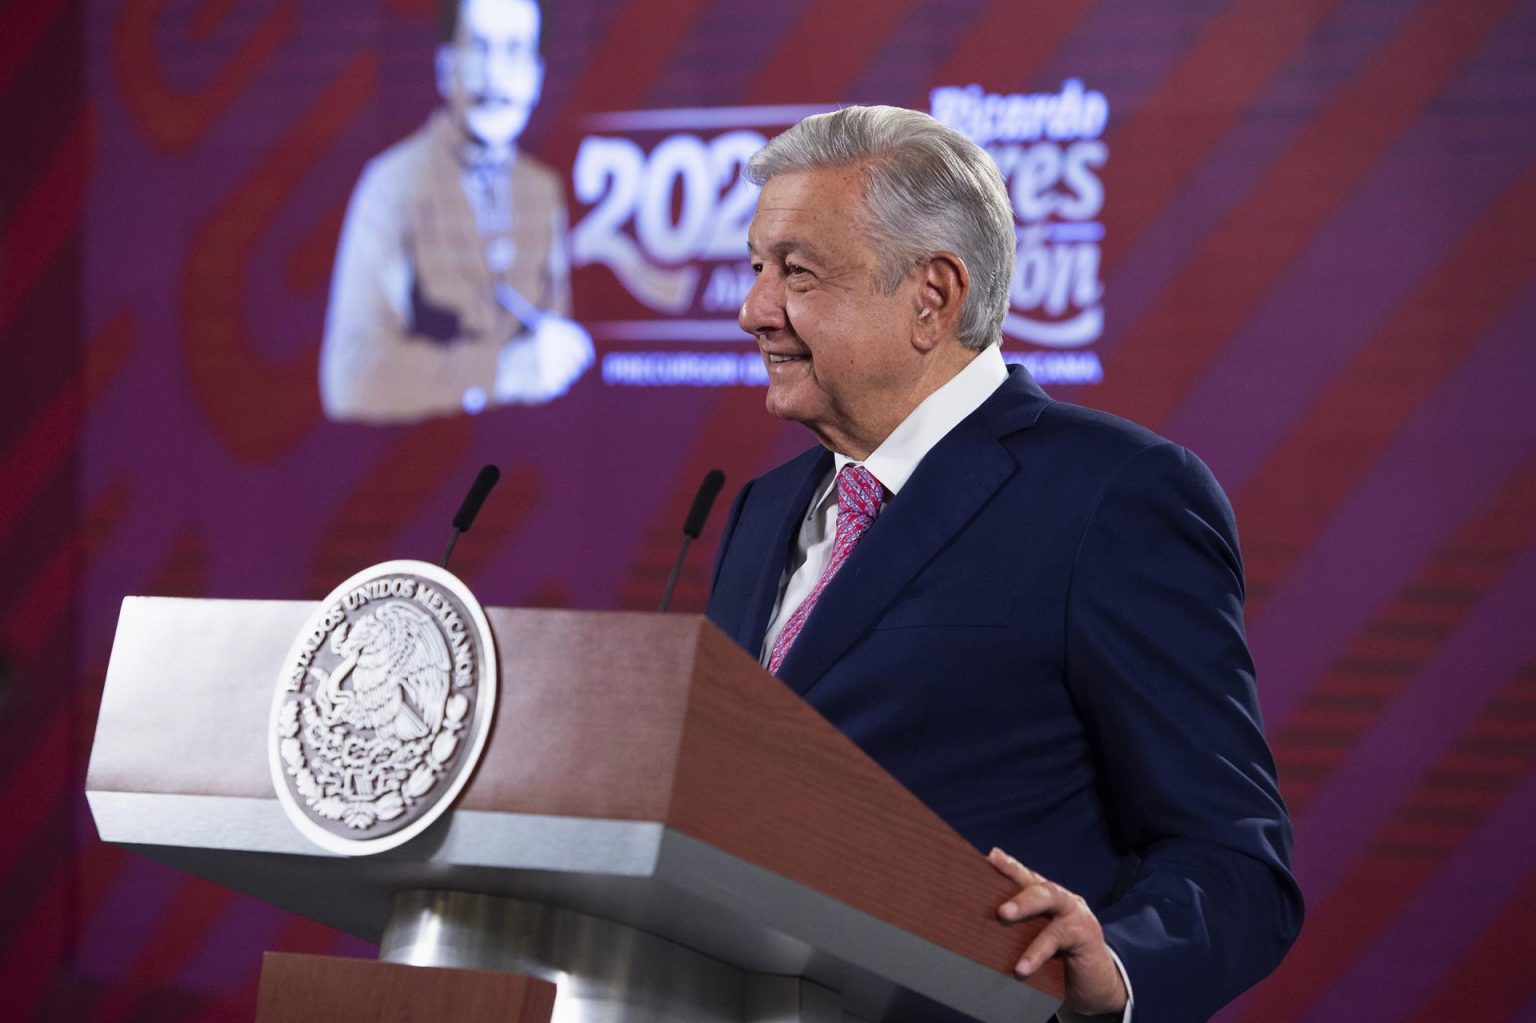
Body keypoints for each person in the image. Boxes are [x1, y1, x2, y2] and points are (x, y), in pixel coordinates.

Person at [705, 106, 1302, 1023]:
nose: (753, 310)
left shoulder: (1115, 497)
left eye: (797, 272)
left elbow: (1231, 857)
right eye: (756, 268)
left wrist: (1119, 967)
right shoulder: (761, 510)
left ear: (933, 296)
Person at [319, 0, 593, 424]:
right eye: (480, 48)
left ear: (537, 77)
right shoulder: (392, 183)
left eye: (515, 51)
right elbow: (350, 378)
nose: (497, 74)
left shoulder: (543, 191)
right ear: (446, 67)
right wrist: (499, 371)